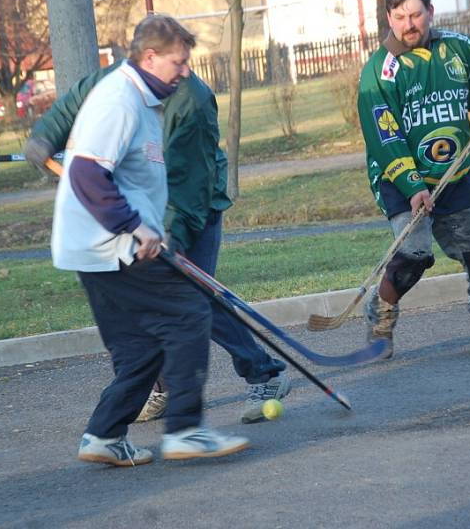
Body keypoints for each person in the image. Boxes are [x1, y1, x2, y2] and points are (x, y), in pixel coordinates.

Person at [26, 61, 289, 425]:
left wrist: (173, 234)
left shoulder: (191, 100)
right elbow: (73, 103)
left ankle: (262, 372)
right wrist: (45, 136)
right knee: (151, 305)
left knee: (193, 298)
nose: (181, 69)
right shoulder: (116, 81)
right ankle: (163, 390)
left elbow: (191, 183)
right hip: (142, 211)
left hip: (193, 207)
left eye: (183, 61)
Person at [50, 14, 249, 466]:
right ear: (150, 57)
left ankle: (103, 436)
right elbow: (85, 172)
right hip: (112, 244)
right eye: (178, 63)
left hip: (100, 245)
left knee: (142, 346)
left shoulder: (143, 98)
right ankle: (185, 430)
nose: (185, 72)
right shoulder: (120, 100)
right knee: (189, 314)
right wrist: (135, 227)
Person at [357, 0, 470, 357]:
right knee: (415, 255)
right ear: (389, 17)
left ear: (430, 12)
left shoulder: (456, 47)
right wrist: (412, 185)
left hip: (456, 172)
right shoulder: (378, 72)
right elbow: (384, 138)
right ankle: (381, 313)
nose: (410, 24)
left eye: (416, 15)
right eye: (400, 17)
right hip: (398, 175)